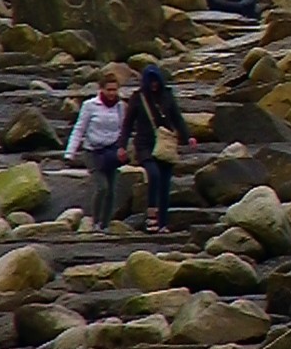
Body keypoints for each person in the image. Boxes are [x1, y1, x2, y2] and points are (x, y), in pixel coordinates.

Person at [116, 64, 195, 233]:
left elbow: (177, 118)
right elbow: (127, 125)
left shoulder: (167, 95)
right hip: (145, 144)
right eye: (150, 81)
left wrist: (188, 136)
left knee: (165, 184)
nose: (154, 84)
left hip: (165, 143)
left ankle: (163, 223)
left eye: (156, 81)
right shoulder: (138, 98)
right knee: (153, 174)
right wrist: (121, 146)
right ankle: (151, 217)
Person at [64, 71, 125, 230]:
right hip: (93, 152)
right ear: (101, 89)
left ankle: (105, 225)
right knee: (102, 187)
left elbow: (123, 129)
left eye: (114, 90)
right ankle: (95, 221)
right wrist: (70, 152)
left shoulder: (120, 107)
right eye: (109, 90)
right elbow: (79, 129)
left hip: (112, 151)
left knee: (112, 190)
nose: (112, 93)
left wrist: (123, 147)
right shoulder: (90, 106)